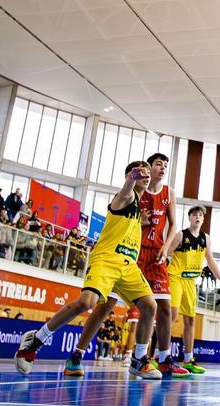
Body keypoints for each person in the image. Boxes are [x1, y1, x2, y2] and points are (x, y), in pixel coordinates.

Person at [14, 161, 161, 379]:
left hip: (128, 265)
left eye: (148, 172)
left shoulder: (139, 207)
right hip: (107, 260)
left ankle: (139, 359)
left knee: (150, 305)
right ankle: (35, 341)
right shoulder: (125, 197)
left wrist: (142, 223)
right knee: (86, 303)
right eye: (142, 172)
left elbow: (123, 226)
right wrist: (131, 178)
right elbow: (124, 193)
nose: (146, 175)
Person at [64, 154, 178, 378]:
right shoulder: (136, 190)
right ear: (146, 169)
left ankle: (162, 359)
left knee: (162, 307)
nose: (162, 169)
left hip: (155, 254)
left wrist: (167, 247)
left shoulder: (168, 193)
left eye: (165, 166)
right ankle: (77, 353)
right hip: (127, 255)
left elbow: (173, 223)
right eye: (157, 165)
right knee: (104, 307)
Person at [165, 205, 220, 375]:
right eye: (194, 214)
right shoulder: (181, 235)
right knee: (172, 316)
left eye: (200, 215)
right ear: (189, 218)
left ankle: (188, 360)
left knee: (190, 321)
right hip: (175, 277)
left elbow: (211, 261)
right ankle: (162, 357)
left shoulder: (206, 238)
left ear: (203, 219)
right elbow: (165, 253)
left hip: (190, 281)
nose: (197, 217)